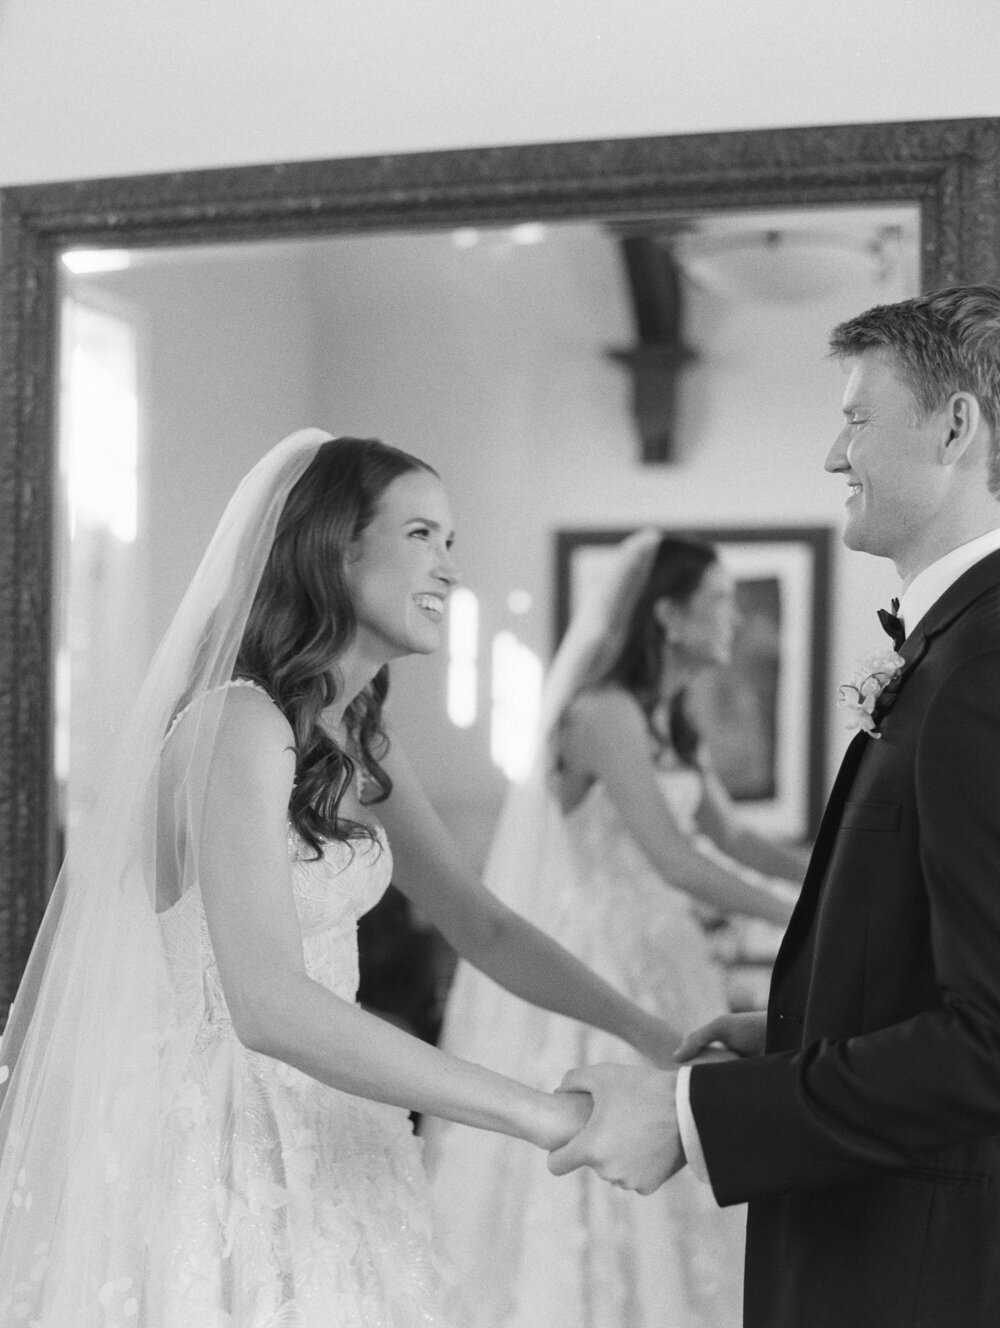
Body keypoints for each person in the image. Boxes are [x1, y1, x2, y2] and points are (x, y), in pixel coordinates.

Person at [0, 430, 690, 1327]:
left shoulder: (355, 736)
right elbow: (269, 1004)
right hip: (223, 1144)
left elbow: (482, 926)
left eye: (452, 545)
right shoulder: (236, 724)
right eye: (421, 537)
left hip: (336, 1129)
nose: (448, 570)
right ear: (334, 549)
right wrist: (543, 1116)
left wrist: (656, 1036)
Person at [549, 284, 1000, 1328]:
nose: (832, 456)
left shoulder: (982, 669)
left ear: (955, 425)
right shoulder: (955, 651)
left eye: (854, 417)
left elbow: (990, 1038)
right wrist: (804, 1022)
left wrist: (687, 1110)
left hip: (916, 1269)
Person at [423, 529, 804, 1328]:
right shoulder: (601, 712)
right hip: (599, 954)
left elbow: (730, 838)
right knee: (615, 1148)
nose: (733, 616)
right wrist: (805, 916)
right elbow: (675, 859)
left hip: (667, 950)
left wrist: (828, 876)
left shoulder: (669, 716)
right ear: (667, 616)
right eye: (720, 600)